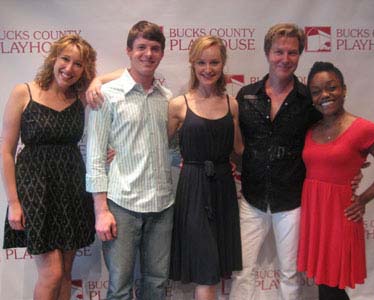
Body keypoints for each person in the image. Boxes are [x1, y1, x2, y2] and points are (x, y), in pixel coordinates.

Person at [229, 23, 322, 300]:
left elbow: (331, 134)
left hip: (292, 200)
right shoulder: (246, 95)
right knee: (242, 270)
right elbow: (231, 141)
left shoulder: (309, 100)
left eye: (292, 53)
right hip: (251, 198)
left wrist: (349, 164)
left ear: (300, 55)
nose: (285, 59)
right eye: (279, 51)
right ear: (267, 53)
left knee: (290, 272)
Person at [1, 34, 97, 300]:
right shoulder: (24, 92)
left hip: (71, 189)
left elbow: (119, 75)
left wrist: (97, 80)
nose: (69, 68)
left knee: (66, 272)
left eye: (79, 64)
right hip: (35, 191)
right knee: (52, 273)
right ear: (54, 58)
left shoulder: (80, 98)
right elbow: (6, 151)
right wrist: (14, 202)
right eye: (65, 59)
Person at [85, 20, 174, 300]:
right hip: (121, 205)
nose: (148, 54)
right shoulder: (106, 96)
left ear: (162, 53)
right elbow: (96, 156)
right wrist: (101, 210)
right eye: (141, 48)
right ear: (129, 51)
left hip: (162, 206)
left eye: (155, 48)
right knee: (120, 288)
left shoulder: (167, 98)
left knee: (157, 284)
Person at [297, 61, 374, 300]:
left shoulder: (364, 129)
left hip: (341, 214)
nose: (325, 95)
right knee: (324, 283)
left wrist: (363, 199)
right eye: (316, 91)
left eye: (331, 87)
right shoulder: (311, 129)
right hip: (315, 213)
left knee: (332, 285)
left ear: (344, 89)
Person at [167, 35, 243, 300]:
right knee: (206, 266)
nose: (208, 69)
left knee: (214, 265)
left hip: (223, 187)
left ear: (223, 64)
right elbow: (156, 149)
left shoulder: (232, 104)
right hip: (193, 187)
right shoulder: (178, 105)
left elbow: (239, 151)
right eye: (201, 62)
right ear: (192, 63)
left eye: (214, 62)